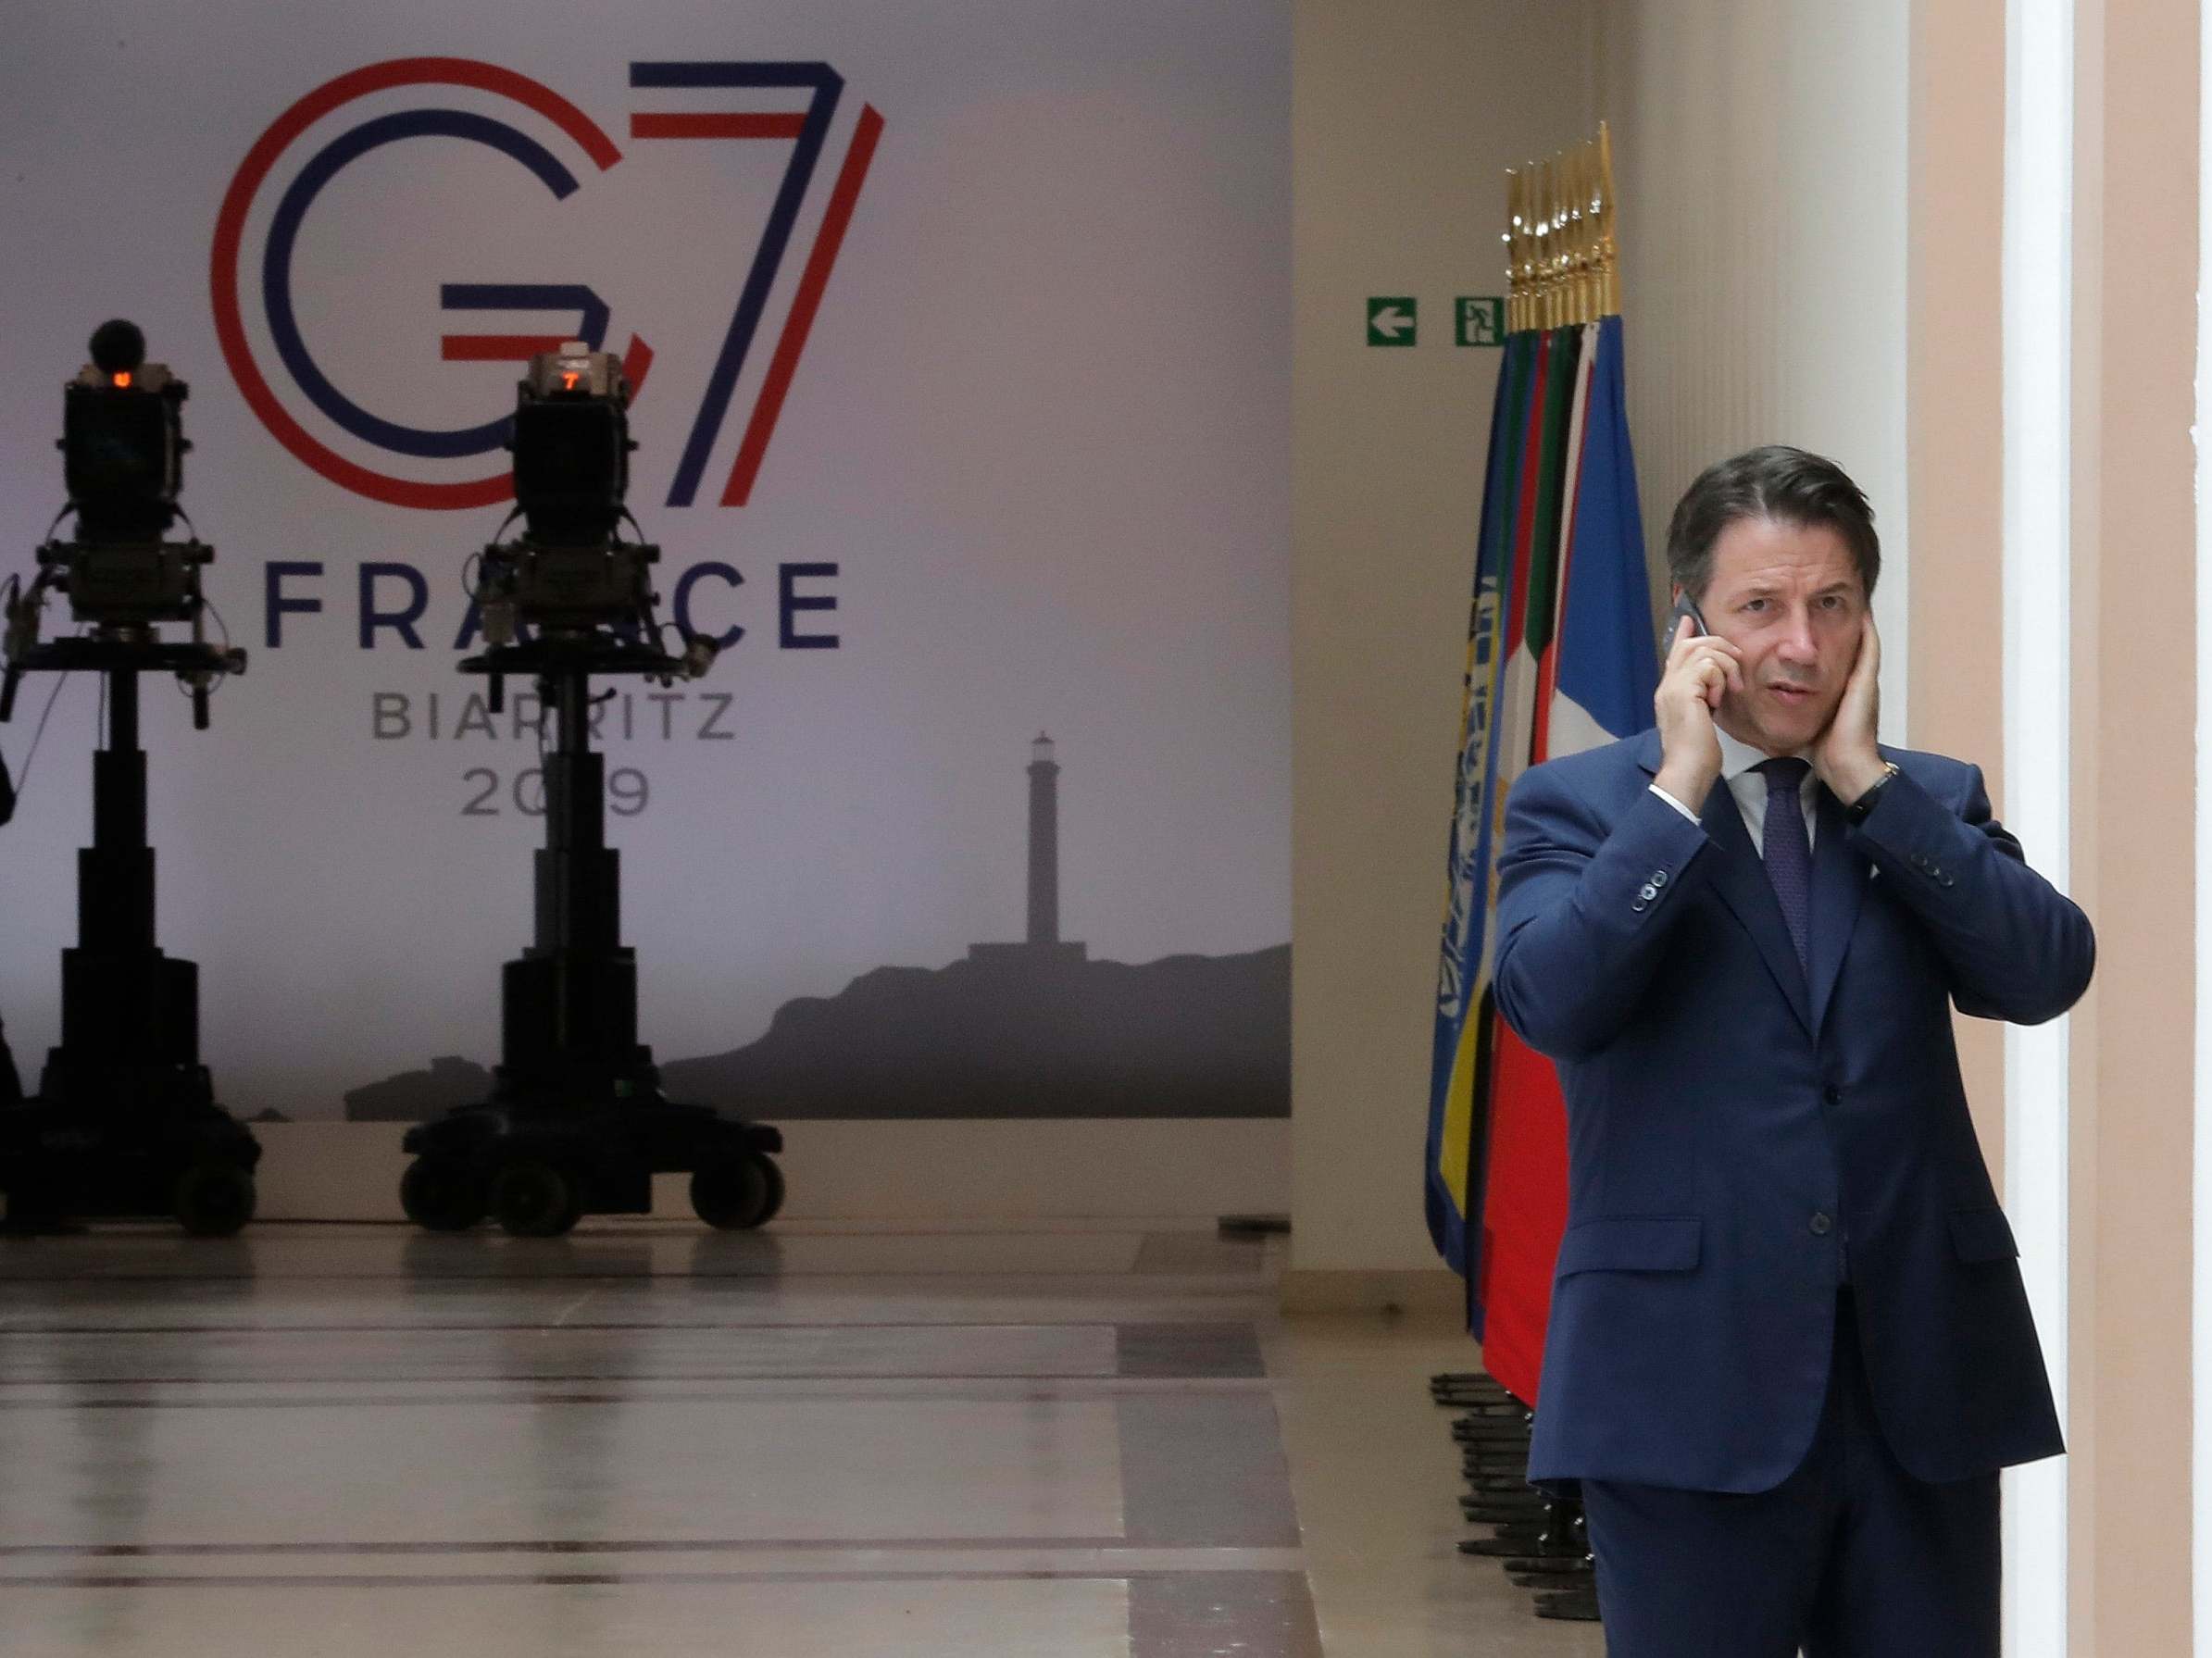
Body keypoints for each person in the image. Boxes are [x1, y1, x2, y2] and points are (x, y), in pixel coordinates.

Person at [1491, 444, 2093, 1657]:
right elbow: (1550, 999)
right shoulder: (1586, 806)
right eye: (1758, 609)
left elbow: (2043, 971)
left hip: (1917, 1386)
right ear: (1691, 628)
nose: (1799, 648)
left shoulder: (1928, 801)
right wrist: (1676, 789)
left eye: (1831, 606)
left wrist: (1869, 784)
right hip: (1678, 1389)